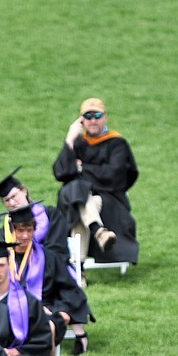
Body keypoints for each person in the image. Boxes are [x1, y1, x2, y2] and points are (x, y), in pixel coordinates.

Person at [5, 203, 91, 356]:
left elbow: (70, 289)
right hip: (8, 312)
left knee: (49, 326)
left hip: (45, 311)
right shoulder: (1, 259)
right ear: (11, 230)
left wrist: (63, 310)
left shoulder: (48, 257)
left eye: (29, 230)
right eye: (20, 231)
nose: (24, 236)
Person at [52, 97, 138, 262]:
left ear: (105, 117)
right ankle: (99, 232)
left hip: (110, 201)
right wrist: (69, 140)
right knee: (76, 193)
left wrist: (82, 169)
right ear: (81, 120)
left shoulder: (117, 144)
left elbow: (114, 174)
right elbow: (60, 173)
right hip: (81, 201)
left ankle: (79, 269)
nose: (93, 120)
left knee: (76, 196)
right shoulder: (77, 143)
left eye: (97, 115)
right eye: (88, 116)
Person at [0, 168, 68, 249]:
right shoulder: (7, 229)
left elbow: (58, 249)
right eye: (7, 200)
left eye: (14, 196)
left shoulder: (51, 215)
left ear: (24, 191)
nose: (12, 203)